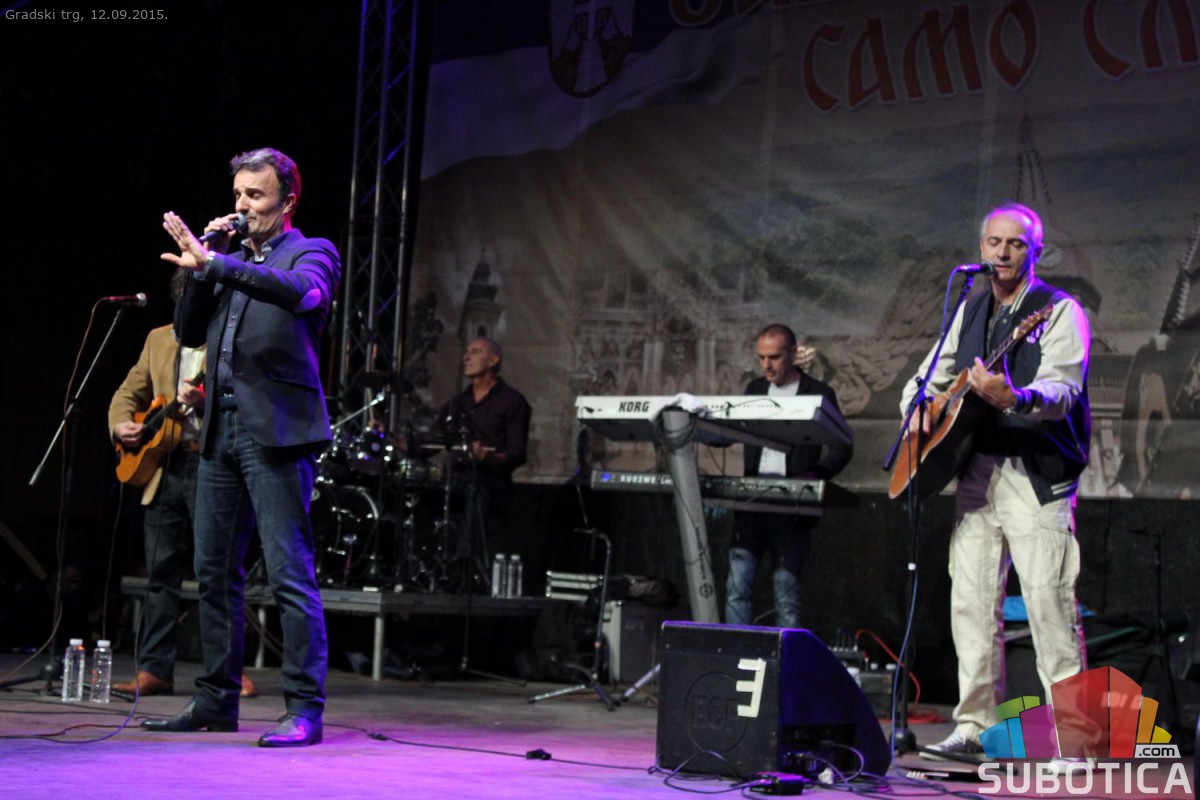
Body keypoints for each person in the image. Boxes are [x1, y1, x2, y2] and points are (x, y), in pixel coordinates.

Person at [142, 148, 340, 748]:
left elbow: (302, 294)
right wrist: (202, 270)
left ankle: (304, 709)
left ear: (287, 200)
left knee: (288, 572)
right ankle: (215, 700)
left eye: (255, 194)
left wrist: (221, 266)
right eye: (237, 195)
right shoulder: (227, 262)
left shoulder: (311, 252)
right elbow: (188, 332)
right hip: (220, 430)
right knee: (212, 571)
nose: (242, 205)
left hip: (276, 432)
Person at [900, 203, 1090, 758]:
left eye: (1015, 244)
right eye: (994, 242)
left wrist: (1017, 397)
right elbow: (927, 375)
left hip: (1036, 474)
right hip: (978, 469)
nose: (1002, 253)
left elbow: (1063, 390)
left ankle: (1075, 739)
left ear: (1036, 252)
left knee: (1049, 607)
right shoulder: (971, 307)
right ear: (981, 248)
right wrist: (918, 406)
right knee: (972, 602)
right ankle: (976, 727)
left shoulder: (1059, 310)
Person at [108, 270, 255, 700]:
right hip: (164, 468)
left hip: (213, 464)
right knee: (160, 574)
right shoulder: (159, 338)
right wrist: (120, 424)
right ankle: (155, 669)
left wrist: (208, 403)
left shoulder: (230, 340)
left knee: (217, 573)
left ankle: (227, 672)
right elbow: (127, 393)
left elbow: (250, 399)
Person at [724, 324, 852, 628]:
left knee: (786, 592)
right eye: (761, 358)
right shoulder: (754, 390)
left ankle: (787, 654)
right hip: (753, 503)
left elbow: (842, 446)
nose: (767, 365)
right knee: (736, 587)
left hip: (792, 508)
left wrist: (814, 474)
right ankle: (735, 649)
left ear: (793, 354)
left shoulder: (818, 393)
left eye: (775, 357)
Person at [434, 337, 531, 577]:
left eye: (475, 352)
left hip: (491, 484)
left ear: (493, 360)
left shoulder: (512, 401)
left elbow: (517, 454)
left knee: (475, 490)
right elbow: (430, 441)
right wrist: (391, 437)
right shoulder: (457, 404)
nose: (466, 357)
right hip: (455, 481)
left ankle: (464, 567)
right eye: (466, 352)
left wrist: (486, 457)